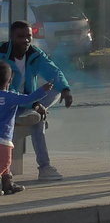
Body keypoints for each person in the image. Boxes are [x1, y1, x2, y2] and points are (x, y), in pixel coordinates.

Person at [0, 20, 73, 181]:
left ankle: (31, 113)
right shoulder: (2, 54)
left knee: (54, 94)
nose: (25, 40)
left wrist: (66, 90)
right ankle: (45, 167)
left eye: (29, 36)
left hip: (29, 102)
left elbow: (53, 71)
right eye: (20, 36)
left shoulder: (34, 53)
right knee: (37, 122)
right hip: (6, 102)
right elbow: (7, 91)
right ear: (11, 37)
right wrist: (33, 103)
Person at [0, 61, 55, 195]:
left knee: (5, 165)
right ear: (10, 80)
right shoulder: (11, 97)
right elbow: (30, 98)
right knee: (5, 162)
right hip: (4, 139)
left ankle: (7, 185)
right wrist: (44, 89)